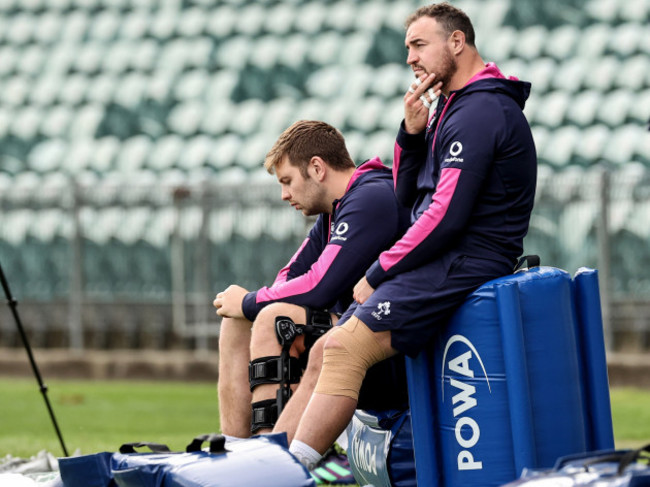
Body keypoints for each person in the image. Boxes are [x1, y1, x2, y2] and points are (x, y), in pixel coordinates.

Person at [285, 2, 538, 469]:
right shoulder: (453, 108)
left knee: (342, 348)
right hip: (445, 258)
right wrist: (411, 133)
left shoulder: (482, 109)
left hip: (465, 260)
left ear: (456, 42)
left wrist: (380, 270)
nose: (410, 59)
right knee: (324, 350)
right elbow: (408, 197)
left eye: (419, 45)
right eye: (408, 48)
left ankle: (290, 472)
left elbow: (446, 216)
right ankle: (272, 459)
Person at [213, 121, 410, 444]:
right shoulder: (332, 214)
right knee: (237, 320)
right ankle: (235, 451)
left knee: (274, 319)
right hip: (352, 335)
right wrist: (245, 306)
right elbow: (288, 279)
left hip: (391, 350)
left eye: (288, 181)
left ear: (317, 168)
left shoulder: (373, 197)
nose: (284, 194)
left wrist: (250, 301)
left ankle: (265, 460)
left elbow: (320, 287)